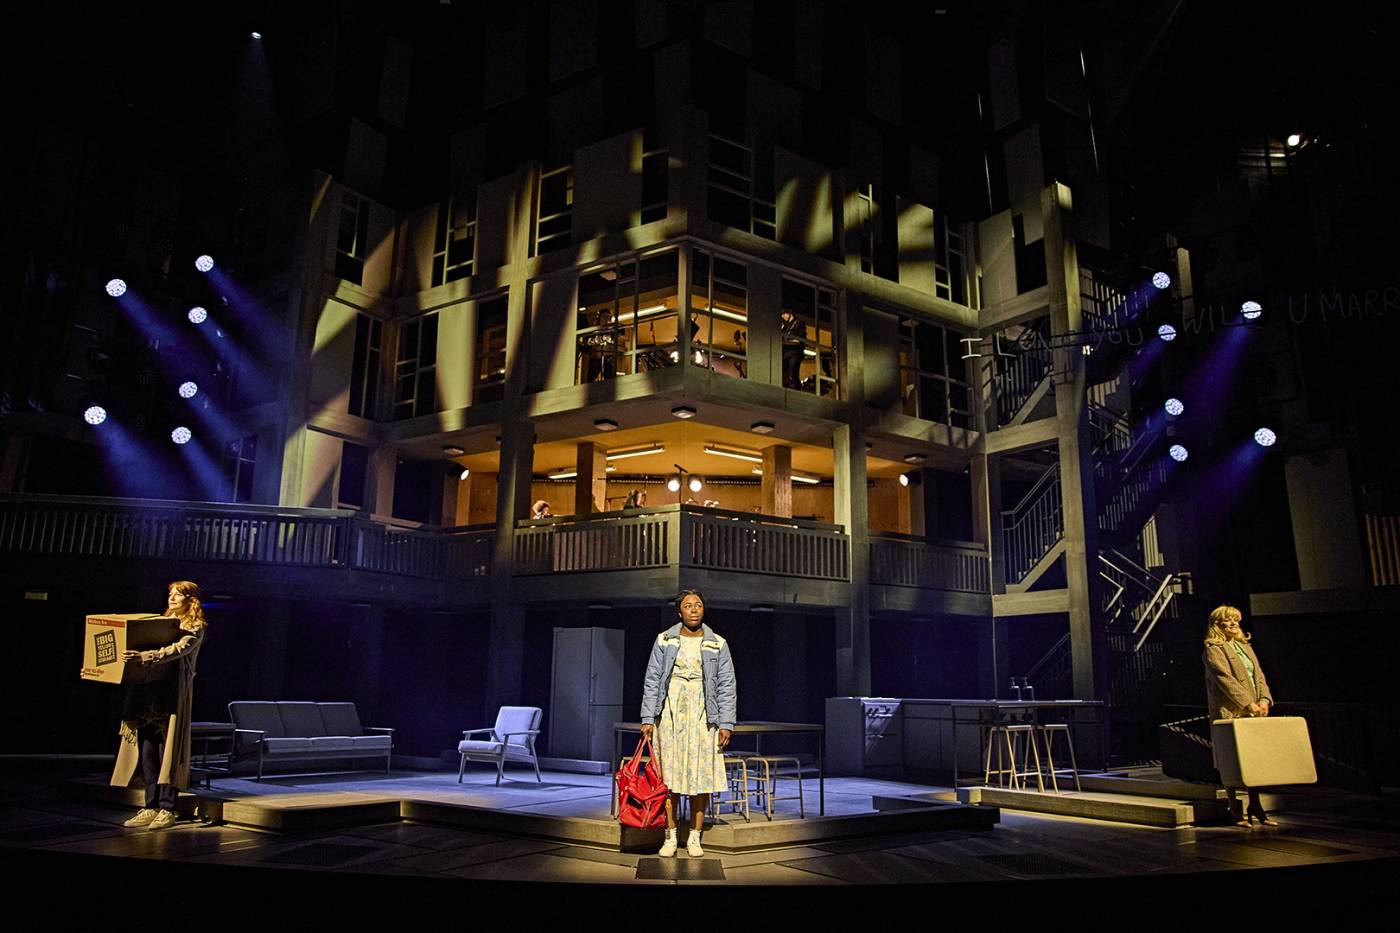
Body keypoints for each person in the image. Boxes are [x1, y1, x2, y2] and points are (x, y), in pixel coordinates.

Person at [640, 590, 736, 858]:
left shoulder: (717, 643)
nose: (694, 609)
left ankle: (695, 835)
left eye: (698, 605)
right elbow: (652, 679)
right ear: (679, 611)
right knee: (669, 775)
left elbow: (727, 685)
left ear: (704, 609)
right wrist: (648, 718)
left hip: (704, 714)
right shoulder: (665, 640)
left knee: (699, 775)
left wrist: (726, 723)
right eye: (688, 606)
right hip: (670, 711)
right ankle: (670, 835)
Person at [113, 581, 208, 830]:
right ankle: (150, 806)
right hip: (148, 695)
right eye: (170, 594)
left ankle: (168, 808)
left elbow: (178, 649)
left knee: (168, 754)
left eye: (178, 595)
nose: (172, 598)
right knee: (148, 753)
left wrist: (146, 656)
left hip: (171, 696)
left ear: (191, 600)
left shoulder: (194, 626)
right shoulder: (159, 624)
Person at [1202, 604, 1277, 827]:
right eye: (1228, 620)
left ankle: (1256, 805)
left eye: (1236, 619)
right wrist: (1248, 703)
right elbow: (1224, 678)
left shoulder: (1244, 646)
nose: (1234, 623)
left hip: (1253, 710)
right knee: (1231, 757)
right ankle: (1234, 808)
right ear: (1217, 624)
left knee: (1253, 758)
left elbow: (1259, 675)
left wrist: (1264, 700)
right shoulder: (1213, 648)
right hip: (1230, 711)